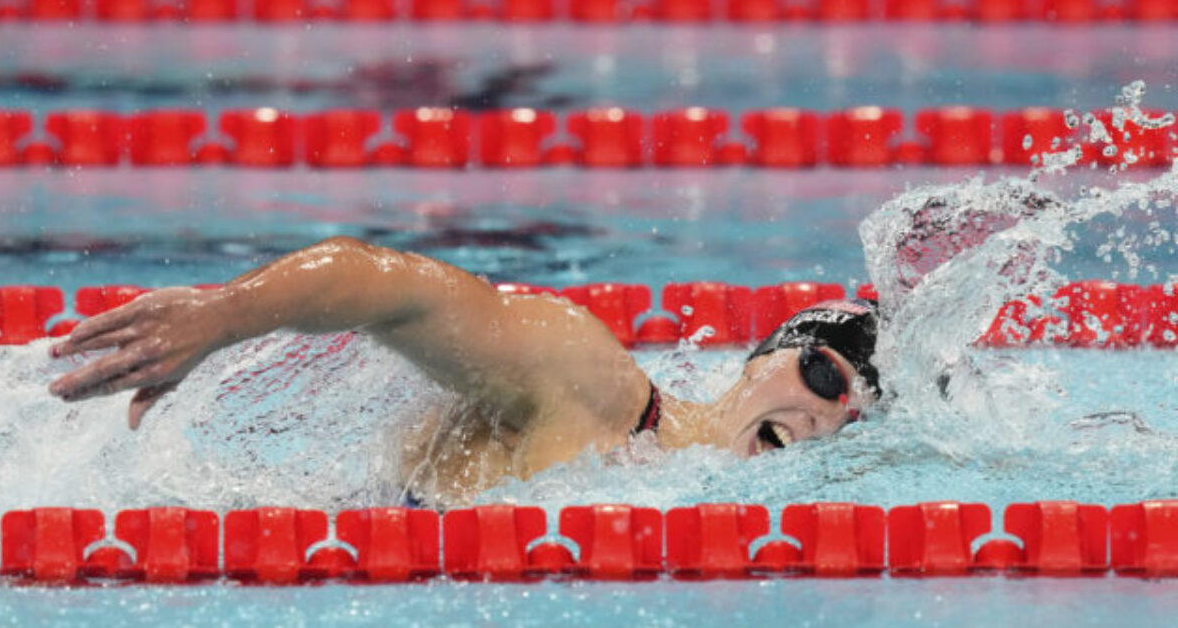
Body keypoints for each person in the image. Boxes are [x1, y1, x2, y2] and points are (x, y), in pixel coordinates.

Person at [47, 236, 880, 507]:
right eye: (824, 376)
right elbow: (393, 289)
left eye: (854, 414)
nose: (826, 415)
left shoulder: (700, 502)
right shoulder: (596, 383)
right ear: (763, 358)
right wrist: (218, 318)